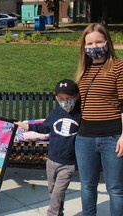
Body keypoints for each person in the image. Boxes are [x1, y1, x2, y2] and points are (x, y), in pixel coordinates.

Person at [75, 23, 123, 216]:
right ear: (84, 47)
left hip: (112, 138)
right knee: (87, 187)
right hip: (85, 138)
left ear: (107, 42)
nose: (94, 47)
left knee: (116, 189)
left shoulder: (119, 67)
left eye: (99, 42)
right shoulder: (83, 71)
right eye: (90, 43)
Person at [15, 79, 81, 216]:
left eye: (69, 98)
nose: (65, 101)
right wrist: (26, 126)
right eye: (61, 98)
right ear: (56, 98)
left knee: (58, 191)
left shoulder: (81, 115)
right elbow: (44, 128)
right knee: (52, 190)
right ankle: (59, 212)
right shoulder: (55, 114)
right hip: (51, 160)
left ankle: (52, 213)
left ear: (77, 96)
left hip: (68, 163)